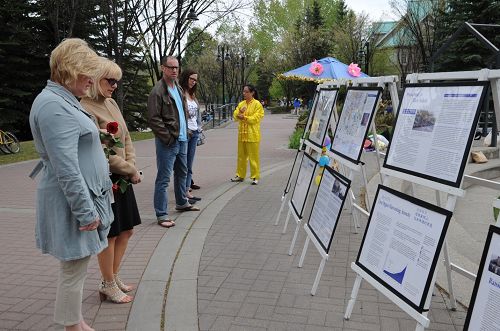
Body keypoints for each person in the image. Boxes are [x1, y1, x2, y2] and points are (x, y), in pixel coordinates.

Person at [29, 38, 111, 331]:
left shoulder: (62, 101)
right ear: (71, 70)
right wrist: (86, 212)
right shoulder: (53, 105)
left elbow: (73, 148)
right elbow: (66, 168)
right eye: (87, 72)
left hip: (78, 197)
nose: (92, 79)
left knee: (77, 265)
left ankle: (74, 321)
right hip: (72, 200)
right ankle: (71, 327)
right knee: (73, 267)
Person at [81, 58, 141, 304]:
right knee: (111, 233)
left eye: (117, 81)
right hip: (107, 178)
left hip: (125, 175)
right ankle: (106, 282)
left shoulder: (112, 103)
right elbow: (101, 153)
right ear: (95, 79)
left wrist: (132, 166)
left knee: (126, 229)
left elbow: (125, 138)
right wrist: (129, 169)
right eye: (110, 80)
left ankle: (113, 276)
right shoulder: (85, 108)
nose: (115, 85)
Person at [147, 56, 200, 228]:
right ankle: (162, 214)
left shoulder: (177, 87)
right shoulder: (158, 91)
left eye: (176, 67)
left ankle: (181, 202)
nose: (174, 70)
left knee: (182, 173)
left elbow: (181, 113)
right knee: (163, 179)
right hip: (168, 142)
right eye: (170, 67)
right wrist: (168, 138)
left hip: (183, 138)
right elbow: (154, 119)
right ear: (163, 68)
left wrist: (186, 132)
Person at [230, 84, 265, 185]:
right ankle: (240, 175)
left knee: (253, 157)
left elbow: (256, 118)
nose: (244, 93)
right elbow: (235, 115)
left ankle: (255, 176)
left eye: (246, 92)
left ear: (252, 93)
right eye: (243, 91)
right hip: (242, 135)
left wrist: (244, 118)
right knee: (241, 156)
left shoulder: (257, 104)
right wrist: (239, 114)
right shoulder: (241, 104)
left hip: (252, 135)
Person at [179, 68, 202, 202]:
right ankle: (182, 193)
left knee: (189, 164)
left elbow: (197, 115)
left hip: (194, 133)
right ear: (185, 78)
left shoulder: (193, 95)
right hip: (184, 133)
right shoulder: (180, 93)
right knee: (182, 165)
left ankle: (187, 190)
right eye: (191, 79)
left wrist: (199, 129)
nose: (193, 82)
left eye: (195, 80)